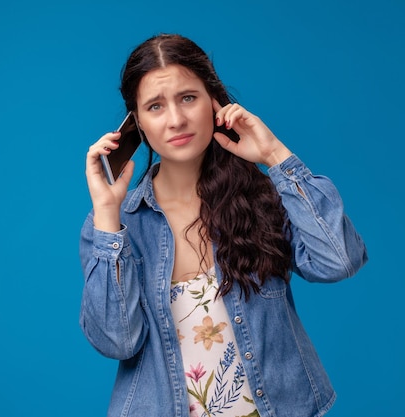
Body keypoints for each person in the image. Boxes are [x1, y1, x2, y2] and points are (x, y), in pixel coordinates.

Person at [79, 33, 368, 417]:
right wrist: (106, 217)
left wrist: (275, 155)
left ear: (214, 102)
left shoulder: (260, 196)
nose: (177, 119)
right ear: (137, 125)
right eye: (155, 106)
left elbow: (339, 261)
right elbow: (119, 342)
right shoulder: (116, 227)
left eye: (188, 97)